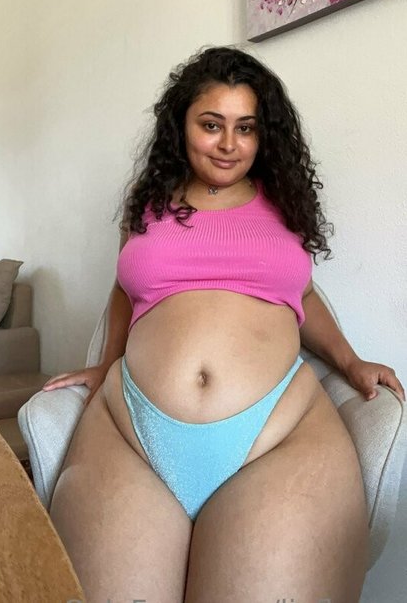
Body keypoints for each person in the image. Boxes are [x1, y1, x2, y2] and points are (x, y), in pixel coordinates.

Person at [44, 45, 405, 603]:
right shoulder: (147, 204)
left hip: (277, 436)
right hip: (131, 430)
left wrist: (350, 361)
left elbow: (302, 294)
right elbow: (125, 288)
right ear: (181, 125)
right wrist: (103, 364)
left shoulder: (283, 203)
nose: (229, 144)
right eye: (211, 125)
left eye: (246, 128)